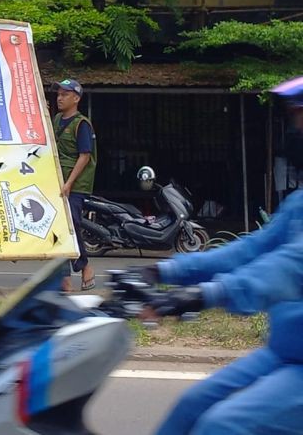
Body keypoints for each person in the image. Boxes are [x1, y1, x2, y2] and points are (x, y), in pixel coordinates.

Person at [135, 75, 303, 435]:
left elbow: (289, 267)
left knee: (221, 426)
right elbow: (249, 250)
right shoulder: (299, 204)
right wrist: (162, 272)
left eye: (301, 116)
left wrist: (207, 294)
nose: (295, 128)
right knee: (190, 407)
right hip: (287, 353)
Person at [52, 78, 97, 292]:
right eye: (59, 94)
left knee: (73, 228)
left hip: (75, 185)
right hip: (57, 181)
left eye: (64, 94)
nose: (60, 98)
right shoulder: (56, 119)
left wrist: (69, 183)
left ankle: (85, 265)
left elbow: (85, 156)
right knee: (59, 231)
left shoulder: (82, 124)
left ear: (76, 98)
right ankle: (65, 279)